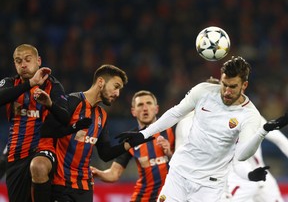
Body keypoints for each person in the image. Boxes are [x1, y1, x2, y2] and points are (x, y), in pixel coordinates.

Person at [116, 56, 288, 201]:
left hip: (210, 185)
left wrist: (263, 130)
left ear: (244, 86)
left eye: (233, 87)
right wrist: (144, 134)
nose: (226, 91)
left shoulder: (250, 115)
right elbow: (175, 113)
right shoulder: (203, 91)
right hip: (180, 174)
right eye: (224, 84)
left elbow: (242, 155)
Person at [38, 64, 148, 202]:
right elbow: (46, 131)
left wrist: (131, 143)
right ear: (101, 82)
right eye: (116, 86)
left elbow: (105, 154)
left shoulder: (102, 115)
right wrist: (73, 128)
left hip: (85, 189)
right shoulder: (72, 102)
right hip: (61, 186)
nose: (117, 93)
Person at [0, 44, 70, 202]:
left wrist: (50, 104)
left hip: (43, 149)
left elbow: (65, 118)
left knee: (38, 166)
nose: (23, 64)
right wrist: (30, 84)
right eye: (18, 61)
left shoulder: (53, 85)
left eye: (27, 59)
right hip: (15, 154)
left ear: (38, 61)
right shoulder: (10, 83)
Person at [91, 90, 175, 201]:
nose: (145, 108)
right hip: (144, 198)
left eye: (149, 103)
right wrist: (98, 173)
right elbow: (114, 174)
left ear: (156, 109)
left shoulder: (173, 130)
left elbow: (188, 162)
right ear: (133, 111)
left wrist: (170, 153)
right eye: (140, 105)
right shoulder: (130, 140)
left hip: (172, 197)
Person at [225, 115, 288, 202]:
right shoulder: (214, 121)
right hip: (238, 179)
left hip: (262, 177)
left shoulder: (251, 115)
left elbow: (280, 140)